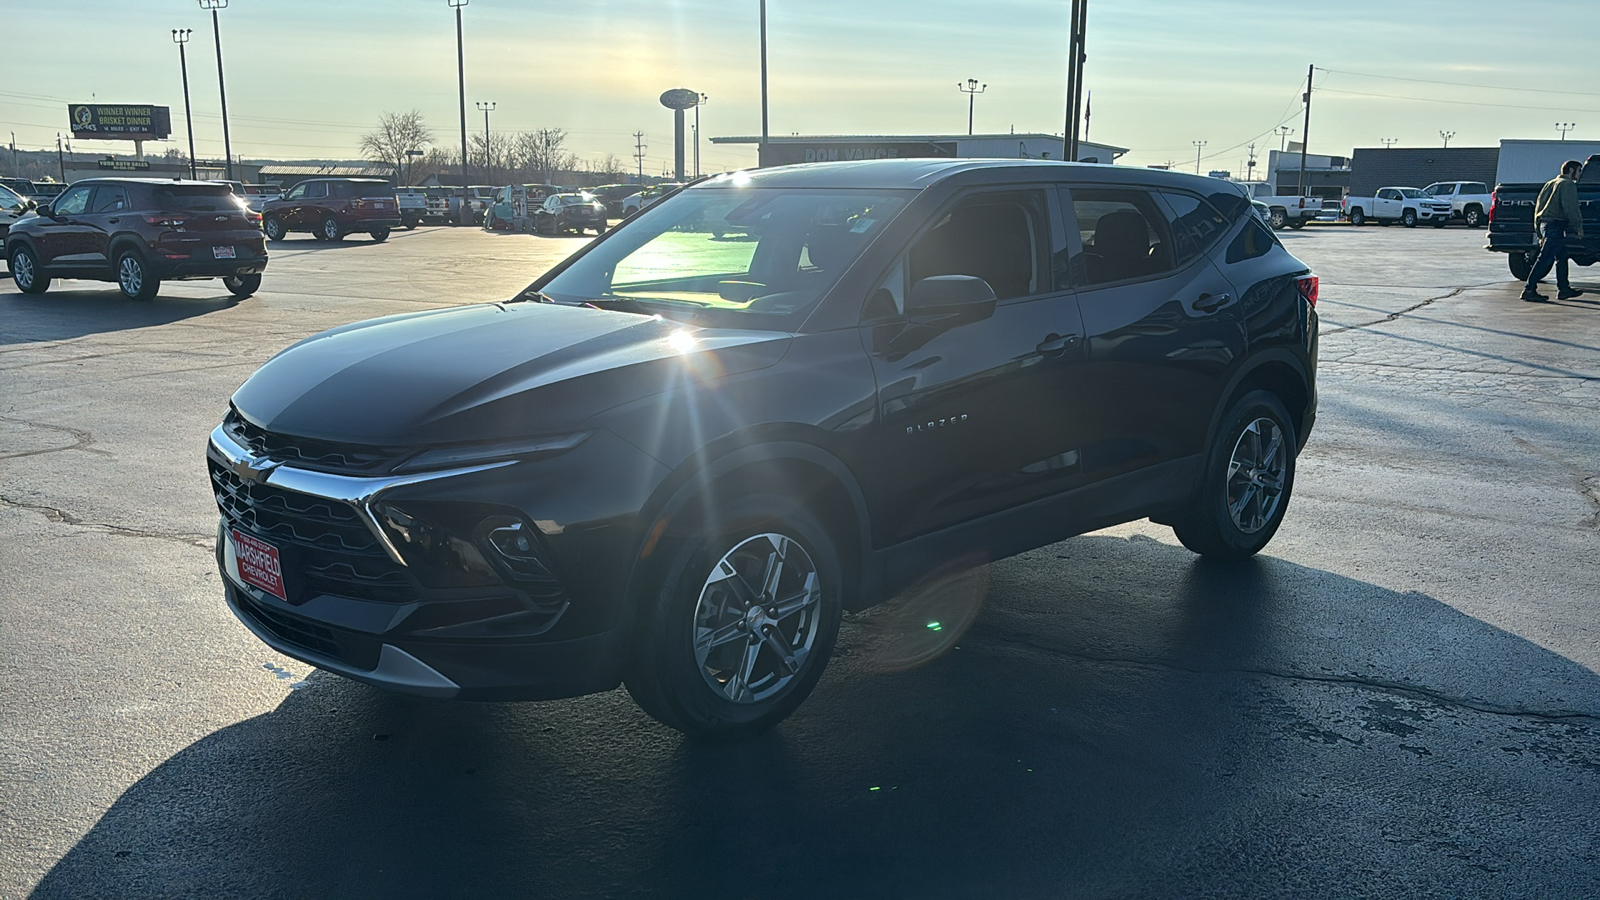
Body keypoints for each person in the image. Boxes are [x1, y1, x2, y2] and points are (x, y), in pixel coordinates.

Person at [1521, 159, 1587, 302]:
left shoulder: (1549, 184)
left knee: (1562, 257)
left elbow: (1538, 209)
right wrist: (1578, 227)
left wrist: (1539, 232)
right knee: (1545, 258)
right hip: (1555, 226)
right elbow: (1571, 208)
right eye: (1579, 170)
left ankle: (1564, 289)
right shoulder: (1567, 185)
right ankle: (1529, 289)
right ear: (1571, 171)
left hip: (1545, 225)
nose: (1580, 174)